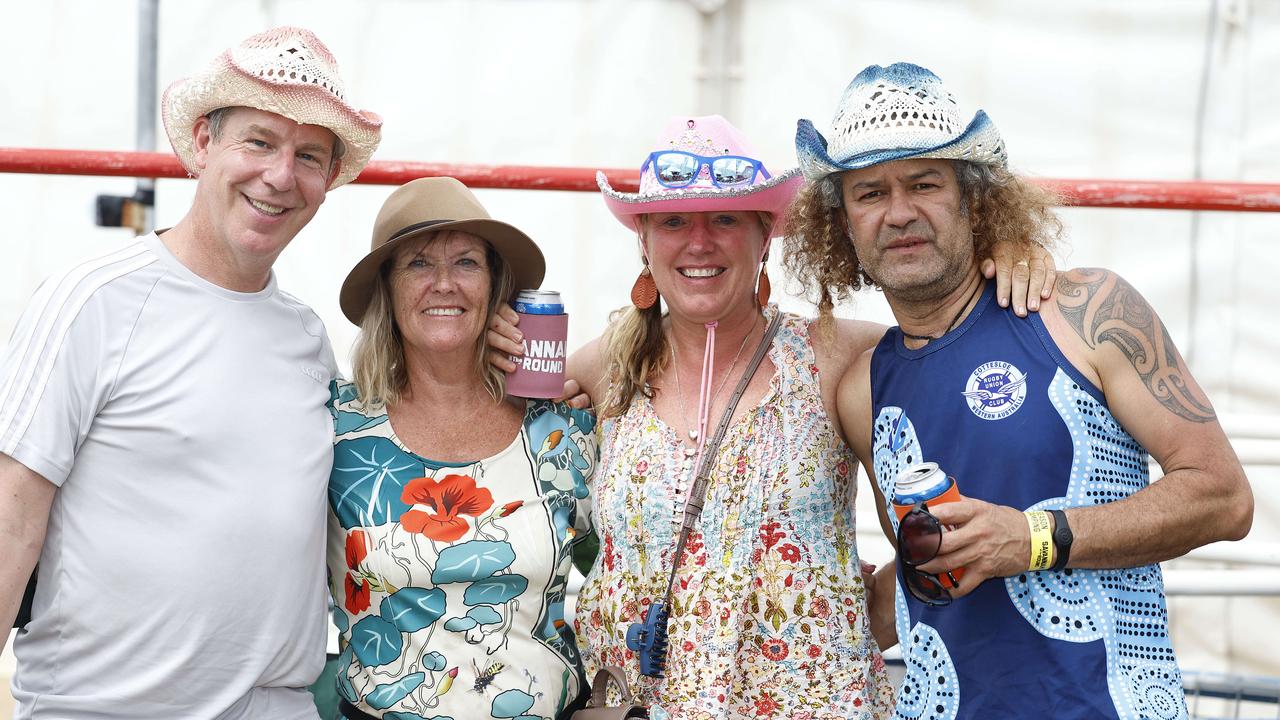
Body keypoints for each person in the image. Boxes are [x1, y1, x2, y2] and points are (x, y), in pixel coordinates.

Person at [482, 115, 1050, 720]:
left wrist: (1007, 256)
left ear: (764, 237)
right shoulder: (605, 367)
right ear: (643, 241)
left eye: (725, 217)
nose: (699, 241)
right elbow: (480, 458)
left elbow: (954, 349)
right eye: (673, 221)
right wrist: (484, 348)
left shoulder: (835, 357)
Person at [787, 62, 1254, 719]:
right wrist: (827, 610)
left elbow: (1225, 497)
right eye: (869, 193)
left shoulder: (1084, 311)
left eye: (924, 183)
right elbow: (936, 570)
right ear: (843, 222)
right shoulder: (863, 389)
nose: (898, 213)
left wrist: (1033, 539)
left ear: (974, 199)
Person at [0, 27, 381, 718]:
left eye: (309, 156)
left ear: (326, 182)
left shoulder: (307, 339)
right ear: (204, 144)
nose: (279, 176)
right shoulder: (94, 300)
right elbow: (10, 521)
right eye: (259, 141)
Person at [326, 177, 598, 720]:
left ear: (497, 288)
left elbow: (658, 345)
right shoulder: (336, 429)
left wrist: (554, 365)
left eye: (467, 263)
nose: (445, 283)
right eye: (419, 264)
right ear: (388, 289)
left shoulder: (561, 429)